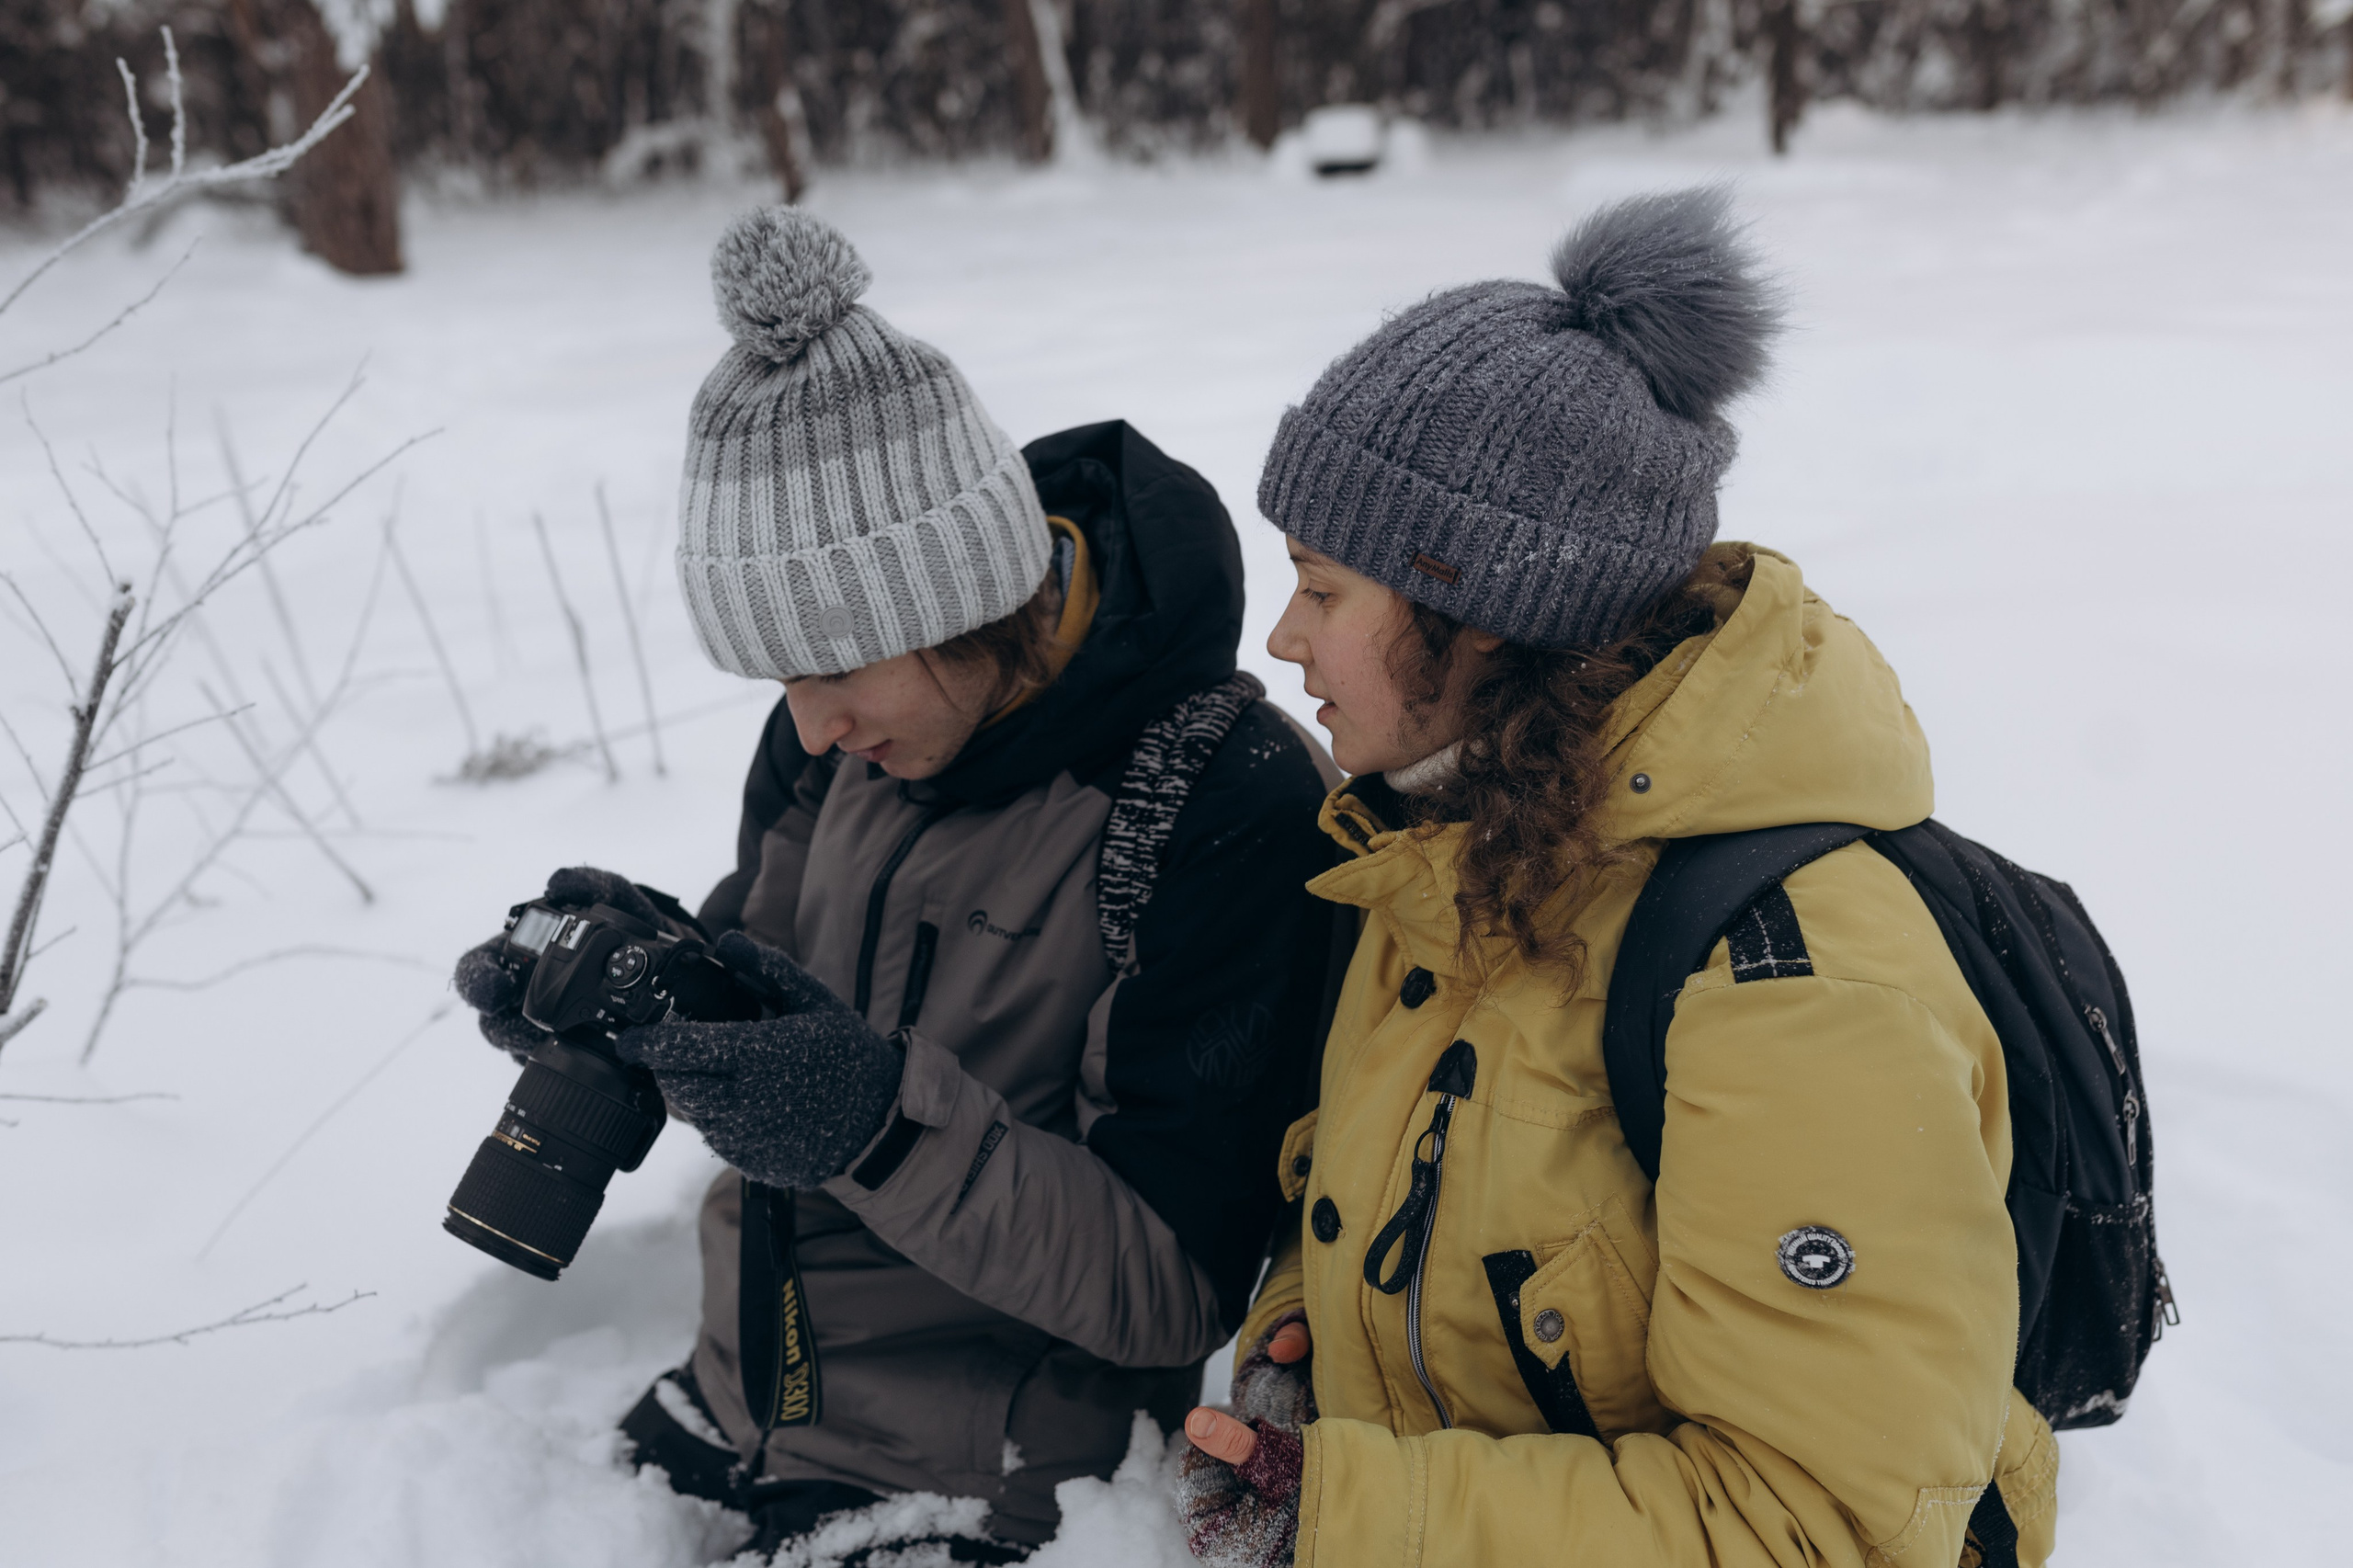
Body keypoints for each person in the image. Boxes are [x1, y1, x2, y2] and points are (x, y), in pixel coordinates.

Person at [1175, 188, 2060, 1568]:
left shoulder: (1793, 983)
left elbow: (1824, 1523)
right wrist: (1309, 1317)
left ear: (1481, 611)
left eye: (1324, 587)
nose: (1283, 636)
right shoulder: (1444, 857)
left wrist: (1357, 1516)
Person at [455, 207, 1341, 1562]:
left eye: (833, 673)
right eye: (780, 685)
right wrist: (628, 1002)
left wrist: (874, 1125)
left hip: (1002, 1478)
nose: (808, 728)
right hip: (742, 1396)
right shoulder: (841, 739)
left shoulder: (1215, 802)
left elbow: (1173, 1288)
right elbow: (767, 1005)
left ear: (963, 598)